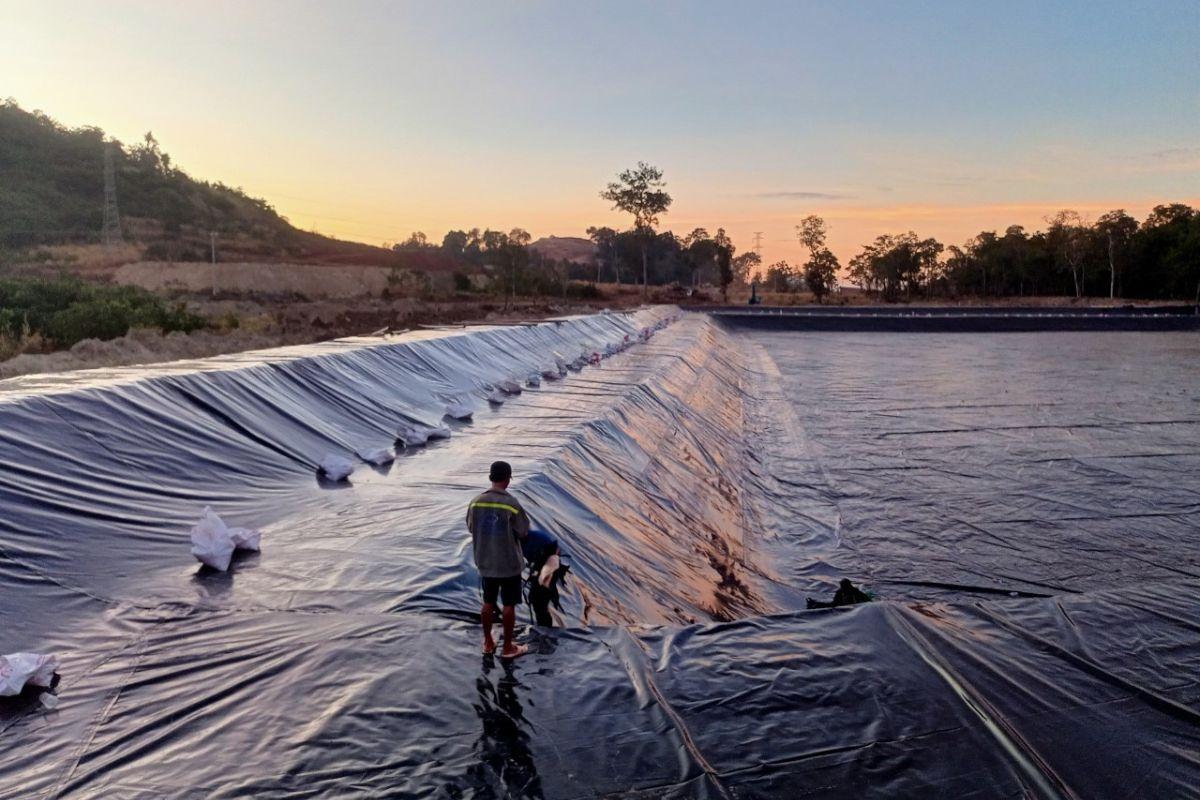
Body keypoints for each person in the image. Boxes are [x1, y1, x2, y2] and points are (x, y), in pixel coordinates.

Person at [467, 460, 531, 658]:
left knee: (488, 602)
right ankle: (508, 647)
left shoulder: (476, 502)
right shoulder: (511, 503)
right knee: (509, 604)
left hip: (486, 562)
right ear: (508, 479)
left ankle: (487, 642)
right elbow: (523, 531)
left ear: (490, 477)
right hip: (509, 564)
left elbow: (471, 527)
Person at [521, 529, 569, 627]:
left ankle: (545, 628)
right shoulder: (518, 542)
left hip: (549, 566)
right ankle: (543, 626)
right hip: (542, 565)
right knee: (536, 598)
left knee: (539, 597)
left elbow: (554, 553)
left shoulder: (538, 537)